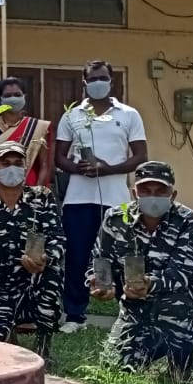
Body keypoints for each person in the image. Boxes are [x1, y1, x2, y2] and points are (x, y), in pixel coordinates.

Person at [90, 161, 193, 382]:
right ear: (134, 193)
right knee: (113, 370)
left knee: (180, 380)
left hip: (177, 306)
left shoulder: (190, 222)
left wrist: (149, 284)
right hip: (134, 307)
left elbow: (183, 273)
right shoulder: (115, 220)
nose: (152, 196)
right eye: (145, 190)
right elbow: (100, 260)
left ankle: (181, 351)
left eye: (161, 190)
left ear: (173, 194)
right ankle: (144, 347)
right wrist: (101, 284)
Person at [55, 60, 148, 333]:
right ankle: (74, 315)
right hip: (78, 199)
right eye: (93, 78)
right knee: (77, 256)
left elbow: (141, 157)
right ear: (84, 83)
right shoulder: (72, 116)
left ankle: (129, 311)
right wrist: (79, 168)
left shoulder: (129, 114)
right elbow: (59, 156)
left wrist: (107, 170)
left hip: (116, 199)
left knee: (122, 255)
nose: (98, 82)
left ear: (112, 81)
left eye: (102, 77)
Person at [0, 141, 65, 360]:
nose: (12, 167)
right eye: (5, 163)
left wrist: (44, 258)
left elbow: (57, 239)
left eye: (17, 163)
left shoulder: (42, 199)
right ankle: (7, 329)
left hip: (33, 287)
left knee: (49, 276)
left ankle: (44, 347)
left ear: (25, 166)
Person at [0, 77, 53, 188]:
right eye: (8, 95)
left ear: (24, 96)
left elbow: (44, 165)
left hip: (29, 188)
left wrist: (36, 193)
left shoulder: (37, 128)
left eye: (17, 95)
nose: (13, 99)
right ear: (1, 98)